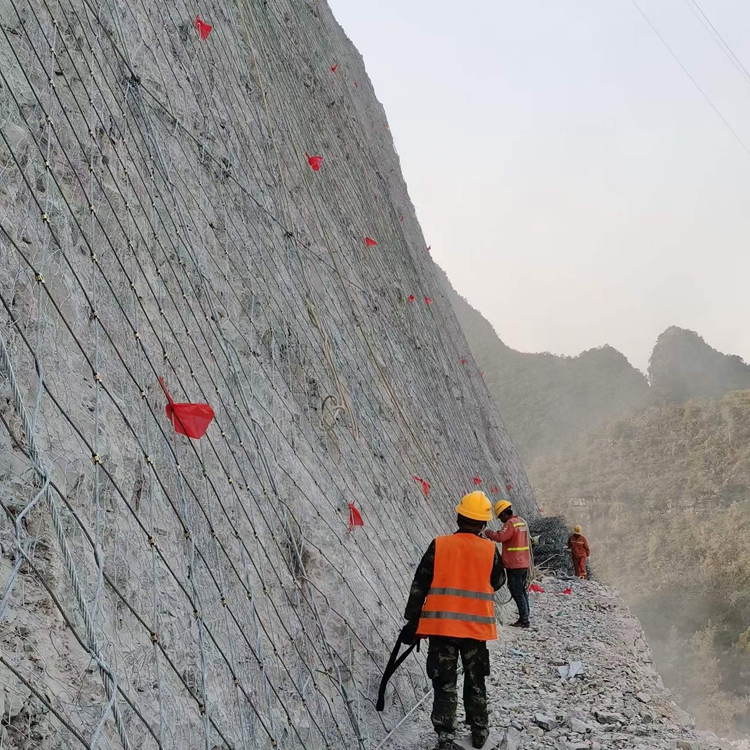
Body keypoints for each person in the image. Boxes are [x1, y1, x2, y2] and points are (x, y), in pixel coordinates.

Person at [401, 491, 505, 750]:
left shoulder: (440, 545)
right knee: (475, 679)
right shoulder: (490, 550)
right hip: (475, 630)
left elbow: (419, 586)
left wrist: (412, 623)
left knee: (444, 681)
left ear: (459, 517)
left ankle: (445, 735)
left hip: (441, 629)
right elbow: (498, 582)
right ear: (482, 524)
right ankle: (479, 730)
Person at [485, 500, 531, 629]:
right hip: (523, 562)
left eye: (500, 516)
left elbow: (501, 537)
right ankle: (525, 616)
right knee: (522, 591)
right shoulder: (520, 522)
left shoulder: (510, 524)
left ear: (505, 513)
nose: (500, 520)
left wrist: (488, 533)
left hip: (514, 563)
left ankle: (524, 620)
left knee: (517, 591)